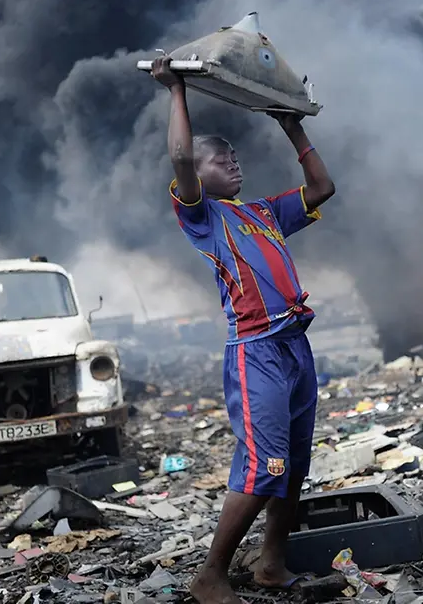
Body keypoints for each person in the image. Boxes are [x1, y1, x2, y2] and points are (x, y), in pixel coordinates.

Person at [150, 56, 336, 604]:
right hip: (256, 352)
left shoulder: (262, 212)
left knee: (294, 464)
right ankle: (211, 574)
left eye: (234, 156)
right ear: (197, 174)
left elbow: (322, 187)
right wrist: (176, 88)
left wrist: (290, 124)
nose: (233, 162)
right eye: (221, 158)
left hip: (294, 348)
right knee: (265, 464)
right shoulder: (201, 214)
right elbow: (181, 153)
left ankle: (271, 566)